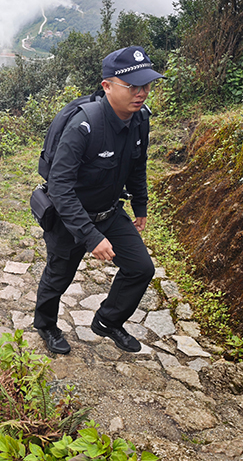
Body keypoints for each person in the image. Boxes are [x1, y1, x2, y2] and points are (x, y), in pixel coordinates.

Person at [34, 46, 164, 354]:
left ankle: (108, 321)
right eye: (132, 86)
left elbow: (137, 163)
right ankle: (46, 325)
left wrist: (140, 204)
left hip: (109, 212)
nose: (141, 93)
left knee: (141, 268)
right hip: (70, 218)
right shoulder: (84, 125)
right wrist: (91, 238)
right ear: (107, 86)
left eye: (146, 85)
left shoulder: (139, 119)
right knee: (58, 276)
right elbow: (60, 187)